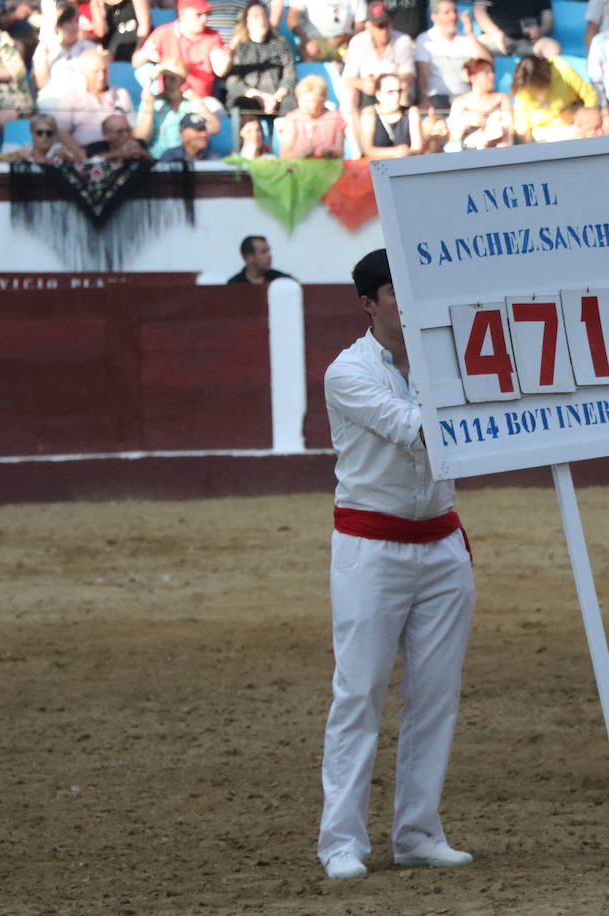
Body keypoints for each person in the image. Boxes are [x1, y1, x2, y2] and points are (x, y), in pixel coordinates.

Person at [317, 247, 476, 882]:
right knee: (359, 693)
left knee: (436, 695)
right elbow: (415, 428)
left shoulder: (448, 360)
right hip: (371, 548)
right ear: (367, 304)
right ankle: (341, 842)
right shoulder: (347, 372)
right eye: (392, 293)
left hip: (442, 545)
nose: (405, 303)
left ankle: (417, 832)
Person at [131, 0, 230, 100]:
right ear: (183, 14)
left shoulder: (212, 36)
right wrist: (146, 54)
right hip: (168, 99)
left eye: (206, 14)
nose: (204, 19)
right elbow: (135, 62)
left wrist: (228, 58)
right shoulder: (163, 33)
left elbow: (220, 70)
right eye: (199, 14)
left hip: (201, 101)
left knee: (215, 108)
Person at [46, 49, 135, 150]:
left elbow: (133, 128)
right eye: (96, 72)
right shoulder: (72, 97)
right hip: (86, 154)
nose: (101, 77)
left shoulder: (121, 94)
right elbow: (62, 132)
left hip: (120, 153)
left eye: (104, 71)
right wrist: (81, 156)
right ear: (84, 72)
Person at [134, 58, 223, 159]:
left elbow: (214, 128)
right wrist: (148, 106)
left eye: (172, 79)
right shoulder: (153, 102)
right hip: (156, 162)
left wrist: (197, 100)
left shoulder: (190, 104)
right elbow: (141, 137)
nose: (167, 83)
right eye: (164, 78)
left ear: (182, 81)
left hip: (183, 161)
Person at [225, 0, 297, 119]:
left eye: (264, 15)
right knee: (241, 103)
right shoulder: (239, 48)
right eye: (255, 16)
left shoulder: (281, 44)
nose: (261, 19)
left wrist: (276, 97)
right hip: (250, 97)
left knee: (291, 103)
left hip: (277, 98)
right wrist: (260, 97)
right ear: (246, 22)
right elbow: (233, 82)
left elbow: (290, 77)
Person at [415, 0, 490, 112]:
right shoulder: (425, 40)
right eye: (447, 13)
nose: (453, 16)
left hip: (465, 98)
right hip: (437, 98)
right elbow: (422, 74)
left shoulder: (466, 39)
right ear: (434, 17)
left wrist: (471, 34)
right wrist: (424, 99)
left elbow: (487, 62)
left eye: (455, 11)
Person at [343, 2, 417, 115]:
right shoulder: (358, 41)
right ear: (368, 26)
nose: (385, 30)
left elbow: (409, 75)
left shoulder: (403, 40)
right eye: (380, 26)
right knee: (349, 91)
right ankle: (354, 131)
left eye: (387, 24)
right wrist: (363, 84)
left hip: (393, 90)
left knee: (404, 87)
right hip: (367, 93)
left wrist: (385, 83)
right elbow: (348, 77)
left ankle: (403, 128)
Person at [510, 52, 599, 143]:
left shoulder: (560, 68)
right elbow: (521, 126)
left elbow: (589, 94)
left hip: (573, 126)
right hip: (540, 136)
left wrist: (586, 118)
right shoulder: (522, 84)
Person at [33, 3, 101, 102]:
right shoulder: (46, 48)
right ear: (59, 25)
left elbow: (97, 84)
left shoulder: (89, 47)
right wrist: (43, 58)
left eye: (76, 21)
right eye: (69, 22)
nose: (74, 26)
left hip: (84, 100)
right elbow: (41, 83)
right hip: (54, 100)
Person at [446, 57, 512, 148]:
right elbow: (453, 137)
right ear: (473, 77)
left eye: (492, 72)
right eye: (487, 73)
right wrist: (467, 122)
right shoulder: (460, 102)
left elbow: (509, 130)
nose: (492, 76)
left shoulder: (502, 98)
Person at [276, 73, 348, 156]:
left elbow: (340, 152)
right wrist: (302, 155)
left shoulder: (335, 119)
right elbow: (285, 153)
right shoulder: (292, 119)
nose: (304, 106)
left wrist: (328, 153)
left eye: (310, 102)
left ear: (322, 100)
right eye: (302, 101)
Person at [359, 71, 423, 156]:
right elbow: (367, 150)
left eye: (399, 91)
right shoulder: (369, 113)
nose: (396, 96)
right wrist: (395, 152)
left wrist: (407, 152)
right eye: (390, 92)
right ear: (378, 94)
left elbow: (418, 148)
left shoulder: (411, 112)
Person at [288, 0, 364, 62]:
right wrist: (306, 41)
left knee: (357, 59)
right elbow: (292, 18)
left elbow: (361, 26)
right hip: (313, 41)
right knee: (309, 55)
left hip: (345, 43)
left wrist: (347, 37)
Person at [472, 0, 551, 57]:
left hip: (527, 42)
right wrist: (498, 36)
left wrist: (540, 31)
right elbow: (479, 11)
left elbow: (548, 19)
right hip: (494, 39)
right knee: (474, 48)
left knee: (551, 47)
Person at [10, 112, 81, 161]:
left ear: (54, 135)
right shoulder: (24, 151)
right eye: (39, 132)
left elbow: (80, 163)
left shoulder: (60, 151)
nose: (45, 136)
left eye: (49, 133)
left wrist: (68, 158)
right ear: (32, 134)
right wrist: (16, 156)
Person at [85, 111, 155, 159]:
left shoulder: (139, 143)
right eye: (119, 132)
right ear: (106, 135)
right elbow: (90, 162)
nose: (126, 135)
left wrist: (142, 153)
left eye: (128, 130)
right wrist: (117, 154)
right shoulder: (96, 147)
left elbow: (155, 164)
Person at [227, 235, 294, 283]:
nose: (269, 256)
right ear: (248, 257)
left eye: (269, 251)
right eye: (263, 252)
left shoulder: (282, 280)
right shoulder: (234, 284)